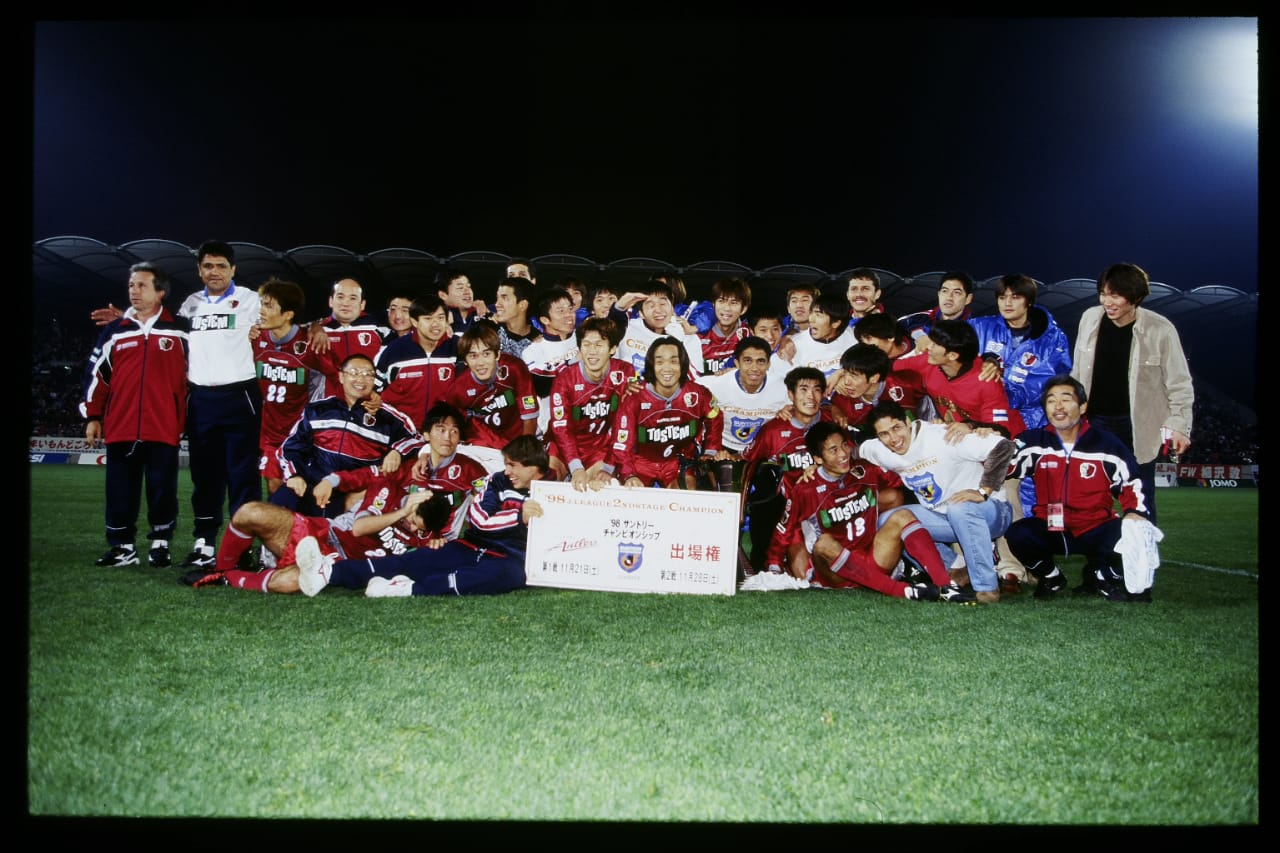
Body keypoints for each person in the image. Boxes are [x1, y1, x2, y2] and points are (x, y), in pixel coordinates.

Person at [295, 434, 548, 598]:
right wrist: (517, 516)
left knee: (503, 577)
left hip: (512, 558)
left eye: (513, 465)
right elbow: (480, 519)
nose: (506, 470)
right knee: (417, 560)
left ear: (533, 467)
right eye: (505, 464)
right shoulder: (496, 482)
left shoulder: (554, 492)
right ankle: (328, 573)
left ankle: (405, 588)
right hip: (473, 544)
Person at [765, 421, 974, 602]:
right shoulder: (807, 488)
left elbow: (904, 475)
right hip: (839, 573)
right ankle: (905, 591)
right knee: (823, 544)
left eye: (844, 445)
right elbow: (785, 528)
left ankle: (945, 587)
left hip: (873, 559)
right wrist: (774, 566)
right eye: (833, 450)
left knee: (902, 515)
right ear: (817, 459)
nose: (843, 454)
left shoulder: (864, 470)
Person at [1004, 375, 1156, 602]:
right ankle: (1051, 577)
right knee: (1018, 533)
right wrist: (987, 438)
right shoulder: (1034, 441)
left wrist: (1135, 513)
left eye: (1066, 399)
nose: (1058, 406)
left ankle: (1103, 576)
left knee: (1136, 534)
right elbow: (1004, 466)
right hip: (1051, 525)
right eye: (1050, 401)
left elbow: (1131, 482)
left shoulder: (1107, 444)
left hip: (1095, 526)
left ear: (1083, 406)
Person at [969, 274, 1073, 593]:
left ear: (1028, 301)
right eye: (1002, 297)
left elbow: (1052, 380)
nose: (1007, 303)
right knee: (988, 490)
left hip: (1032, 424)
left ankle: (1035, 563)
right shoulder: (983, 327)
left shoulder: (1051, 337)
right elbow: (949, 342)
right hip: (986, 423)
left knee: (1033, 494)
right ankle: (1004, 563)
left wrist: (1004, 384)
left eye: (1015, 297)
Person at [81, 262, 189, 568]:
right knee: (119, 491)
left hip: (164, 426)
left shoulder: (182, 330)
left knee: (162, 490)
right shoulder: (115, 332)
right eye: (131, 285)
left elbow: (198, 375)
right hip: (121, 426)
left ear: (161, 292)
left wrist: (185, 416)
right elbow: (96, 376)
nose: (133, 290)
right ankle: (122, 548)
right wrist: (93, 415)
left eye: (141, 285)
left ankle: (160, 544)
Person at [858, 399, 1017, 604]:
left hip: (990, 512)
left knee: (959, 509)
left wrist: (983, 491)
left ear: (907, 422)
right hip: (945, 517)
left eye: (896, 428)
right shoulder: (880, 449)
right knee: (888, 521)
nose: (893, 438)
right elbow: (850, 452)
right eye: (884, 434)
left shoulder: (943, 436)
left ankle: (987, 588)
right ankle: (957, 569)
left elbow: (1003, 446)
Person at [1071, 262, 1193, 526]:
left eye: (1115, 295)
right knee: (1092, 496)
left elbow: (1179, 382)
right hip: (1094, 422)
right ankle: (1103, 561)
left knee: (1141, 495)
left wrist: (1180, 426)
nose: (1107, 301)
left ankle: (1144, 562)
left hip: (1139, 427)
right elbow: (1077, 373)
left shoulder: (1160, 329)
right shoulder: (1089, 318)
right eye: (1103, 293)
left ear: (1135, 297)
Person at [275, 353, 422, 517]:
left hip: (354, 493)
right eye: (354, 372)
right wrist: (295, 476)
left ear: (374, 381)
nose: (361, 379)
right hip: (310, 484)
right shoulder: (318, 410)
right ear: (341, 377)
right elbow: (289, 449)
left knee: (326, 534)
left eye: (368, 374)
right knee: (274, 512)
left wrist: (397, 451)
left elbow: (417, 439)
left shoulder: (389, 417)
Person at [739, 366, 832, 576]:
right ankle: (765, 562)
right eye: (803, 389)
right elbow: (747, 462)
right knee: (765, 503)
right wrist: (740, 506)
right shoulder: (773, 430)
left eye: (817, 390)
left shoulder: (833, 422)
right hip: (790, 509)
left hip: (831, 505)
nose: (811, 396)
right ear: (790, 395)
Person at [601, 336, 723, 489]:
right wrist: (629, 474)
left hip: (678, 461)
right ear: (651, 365)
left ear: (683, 364)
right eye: (659, 362)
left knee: (688, 491)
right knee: (633, 493)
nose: (667, 368)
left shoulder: (699, 394)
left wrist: (710, 451)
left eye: (673, 361)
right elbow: (622, 442)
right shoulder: (634, 397)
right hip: (641, 462)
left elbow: (716, 417)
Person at [253, 277, 329, 497]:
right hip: (270, 433)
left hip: (301, 433)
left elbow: (335, 377)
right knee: (274, 486)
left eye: (269, 305)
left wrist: (316, 325)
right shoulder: (256, 338)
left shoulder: (311, 342)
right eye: (262, 304)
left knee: (301, 491)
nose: (262, 311)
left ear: (288, 314)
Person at [436, 319, 539, 472]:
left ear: (497, 354)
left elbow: (529, 415)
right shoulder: (458, 389)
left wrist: (523, 451)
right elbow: (449, 424)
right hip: (483, 445)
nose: (481, 362)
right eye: (473, 356)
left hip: (518, 439)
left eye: (486, 354)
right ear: (465, 360)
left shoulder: (515, 367)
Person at [546, 316, 636, 486]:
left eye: (599, 345)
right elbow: (561, 427)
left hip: (599, 447)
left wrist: (608, 466)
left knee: (600, 487)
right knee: (549, 481)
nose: (592, 351)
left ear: (613, 348)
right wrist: (575, 467)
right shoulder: (565, 379)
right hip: (562, 445)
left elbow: (624, 424)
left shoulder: (625, 372)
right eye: (586, 344)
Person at [920, 319, 1027, 438]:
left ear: (952, 355)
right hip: (964, 436)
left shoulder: (986, 379)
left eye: (934, 343)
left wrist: (970, 426)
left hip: (1011, 441)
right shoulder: (932, 364)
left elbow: (1000, 431)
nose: (929, 347)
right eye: (932, 342)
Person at [376, 294, 460, 430]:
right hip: (400, 432)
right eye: (428, 318)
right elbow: (375, 390)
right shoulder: (395, 350)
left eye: (440, 318)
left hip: (441, 433)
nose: (435, 324)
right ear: (414, 322)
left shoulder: (456, 347)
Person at [828, 342, 929, 443]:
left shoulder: (906, 383)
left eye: (854, 376)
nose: (846, 382)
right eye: (844, 373)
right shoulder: (841, 399)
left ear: (874, 378)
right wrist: (832, 407)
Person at [310, 276, 388, 399]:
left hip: (370, 400)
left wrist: (375, 390)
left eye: (353, 298)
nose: (345, 303)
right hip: (331, 403)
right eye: (340, 297)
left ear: (362, 304)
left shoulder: (379, 328)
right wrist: (313, 325)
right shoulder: (318, 331)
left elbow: (389, 364)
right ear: (331, 301)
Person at [521, 286, 581, 436]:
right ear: (545, 319)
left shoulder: (586, 338)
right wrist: (575, 361)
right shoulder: (533, 351)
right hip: (552, 425)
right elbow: (542, 384)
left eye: (570, 308)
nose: (569, 315)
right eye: (561, 311)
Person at [612, 281, 704, 379]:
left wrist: (678, 344)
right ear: (641, 314)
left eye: (663, 303)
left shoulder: (689, 338)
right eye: (651, 305)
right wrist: (618, 308)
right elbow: (602, 338)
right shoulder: (628, 328)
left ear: (672, 308)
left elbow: (694, 380)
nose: (658, 310)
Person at [776, 289, 858, 377]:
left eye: (819, 315)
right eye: (811, 313)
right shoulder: (792, 346)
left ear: (836, 323)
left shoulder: (854, 336)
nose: (811, 319)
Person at [900, 271, 975, 351]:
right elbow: (898, 326)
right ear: (938, 294)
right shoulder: (922, 318)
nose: (949, 297)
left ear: (968, 299)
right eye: (945, 291)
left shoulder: (976, 330)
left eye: (956, 292)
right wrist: (919, 335)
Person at [697, 277, 753, 375]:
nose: (727, 308)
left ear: (743, 309)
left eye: (734, 303)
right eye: (721, 301)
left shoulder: (747, 334)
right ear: (714, 304)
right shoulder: (698, 333)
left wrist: (738, 373)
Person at [493, 275, 543, 359]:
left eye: (504, 298)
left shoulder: (540, 341)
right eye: (497, 298)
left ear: (523, 305)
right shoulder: (490, 335)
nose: (497, 304)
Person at [437, 267, 487, 337]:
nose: (467, 292)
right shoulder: (435, 320)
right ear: (443, 295)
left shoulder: (484, 312)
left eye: (469, 287)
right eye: (460, 288)